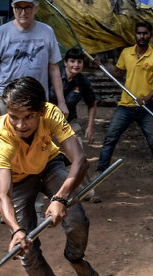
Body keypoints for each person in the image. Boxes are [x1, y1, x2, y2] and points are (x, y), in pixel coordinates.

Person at [0, 76, 100, 276]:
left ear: (41, 111)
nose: (20, 124)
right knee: (25, 249)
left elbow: (80, 161)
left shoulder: (51, 113)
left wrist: (60, 198)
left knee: (77, 219)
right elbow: (3, 195)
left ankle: (75, 258)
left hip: (49, 165)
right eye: (14, 116)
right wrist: (16, 230)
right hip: (17, 181)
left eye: (29, 116)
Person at [96, 21, 153, 183]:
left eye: (145, 33)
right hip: (125, 106)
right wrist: (102, 66)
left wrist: (146, 99)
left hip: (147, 108)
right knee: (110, 137)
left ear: (150, 35)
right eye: (139, 33)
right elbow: (118, 73)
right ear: (135, 35)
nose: (142, 36)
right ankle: (101, 170)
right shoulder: (126, 53)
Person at [0, 0, 69, 121]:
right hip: (7, 99)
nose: (23, 13)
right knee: (8, 133)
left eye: (28, 7)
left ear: (36, 9)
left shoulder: (47, 31)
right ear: (13, 9)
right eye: (18, 7)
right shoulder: (0, 33)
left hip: (37, 99)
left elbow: (54, 68)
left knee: (39, 133)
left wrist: (62, 102)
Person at [53, 47, 101, 202]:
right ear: (65, 63)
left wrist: (90, 127)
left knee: (79, 158)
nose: (75, 65)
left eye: (79, 62)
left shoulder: (83, 81)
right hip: (47, 124)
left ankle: (88, 192)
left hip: (68, 124)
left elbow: (92, 103)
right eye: (72, 61)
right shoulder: (52, 76)